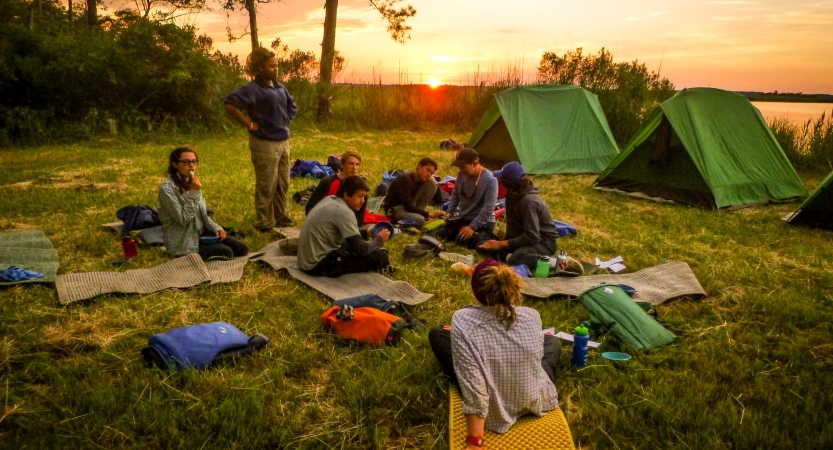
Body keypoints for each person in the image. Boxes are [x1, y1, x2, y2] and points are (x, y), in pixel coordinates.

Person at [429, 260, 560, 446]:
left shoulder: (462, 319)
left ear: (477, 290)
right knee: (552, 342)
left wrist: (475, 442)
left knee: (437, 334)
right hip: (532, 397)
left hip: (493, 407)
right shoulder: (532, 316)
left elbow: (474, 385)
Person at [225, 47, 297, 232]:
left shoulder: (280, 87)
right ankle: (263, 222)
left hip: (283, 141)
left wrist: (284, 121)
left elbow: (292, 105)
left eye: (277, 66)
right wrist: (249, 124)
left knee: (283, 182)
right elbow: (231, 105)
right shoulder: (252, 89)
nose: (276, 69)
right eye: (271, 66)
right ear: (260, 68)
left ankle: (281, 216)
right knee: (267, 182)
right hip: (264, 143)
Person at [158, 146, 248, 260]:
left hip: (201, 234)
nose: (191, 165)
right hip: (183, 243)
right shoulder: (167, 189)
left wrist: (217, 228)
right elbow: (183, 219)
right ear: (175, 164)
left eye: (194, 161)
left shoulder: (192, 182)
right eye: (186, 162)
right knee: (227, 252)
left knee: (241, 249)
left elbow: (202, 215)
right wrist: (194, 192)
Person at [297, 175, 393, 277]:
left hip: (306, 260)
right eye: (360, 196)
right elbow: (362, 249)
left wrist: (366, 232)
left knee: (361, 246)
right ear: (347, 195)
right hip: (317, 265)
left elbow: (347, 235)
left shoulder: (330, 199)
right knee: (380, 256)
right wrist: (379, 240)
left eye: (364, 197)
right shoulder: (343, 211)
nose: (363, 201)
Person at [477, 162, 559, 269]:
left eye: (502, 179)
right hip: (522, 239)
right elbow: (513, 226)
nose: (500, 181)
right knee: (482, 245)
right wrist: (501, 242)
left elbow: (532, 237)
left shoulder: (529, 202)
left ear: (509, 183)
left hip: (543, 242)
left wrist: (502, 244)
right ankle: (510, 258)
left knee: (519, 256)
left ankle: (557, 263)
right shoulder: (511, 195)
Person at [436, 148, 498, 248]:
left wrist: (472, 227)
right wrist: (449, 212)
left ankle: (485, 236)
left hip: (483, 222)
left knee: (462, 241)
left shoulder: (490, 180)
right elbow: (455, 194)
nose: (461, 170)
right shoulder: (462, 174)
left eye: (463, 167)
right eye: (459, 167)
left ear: (475, 163)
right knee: (442, 233)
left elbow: (488, 208)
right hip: (464, 217)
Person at [305, 150, 367, 226]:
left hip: (347, 224)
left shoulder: (360, 186)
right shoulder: (328, 181)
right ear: (342, 165)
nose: (354, 168)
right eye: (350, 164)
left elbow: (360, 215)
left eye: (357, 164)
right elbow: (310, 207)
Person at [382, 158, 445, 229]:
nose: (429, 174)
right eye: (428, 170)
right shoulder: (405, 178)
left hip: (410, 206)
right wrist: (430, 215)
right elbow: (408, 206)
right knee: (420, 220)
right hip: (395, 208)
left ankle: (420, 215)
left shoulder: (422, 181)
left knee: (433, 182)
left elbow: (438, 199)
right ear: (419, 166)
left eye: (431, 173)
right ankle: (420, 217)